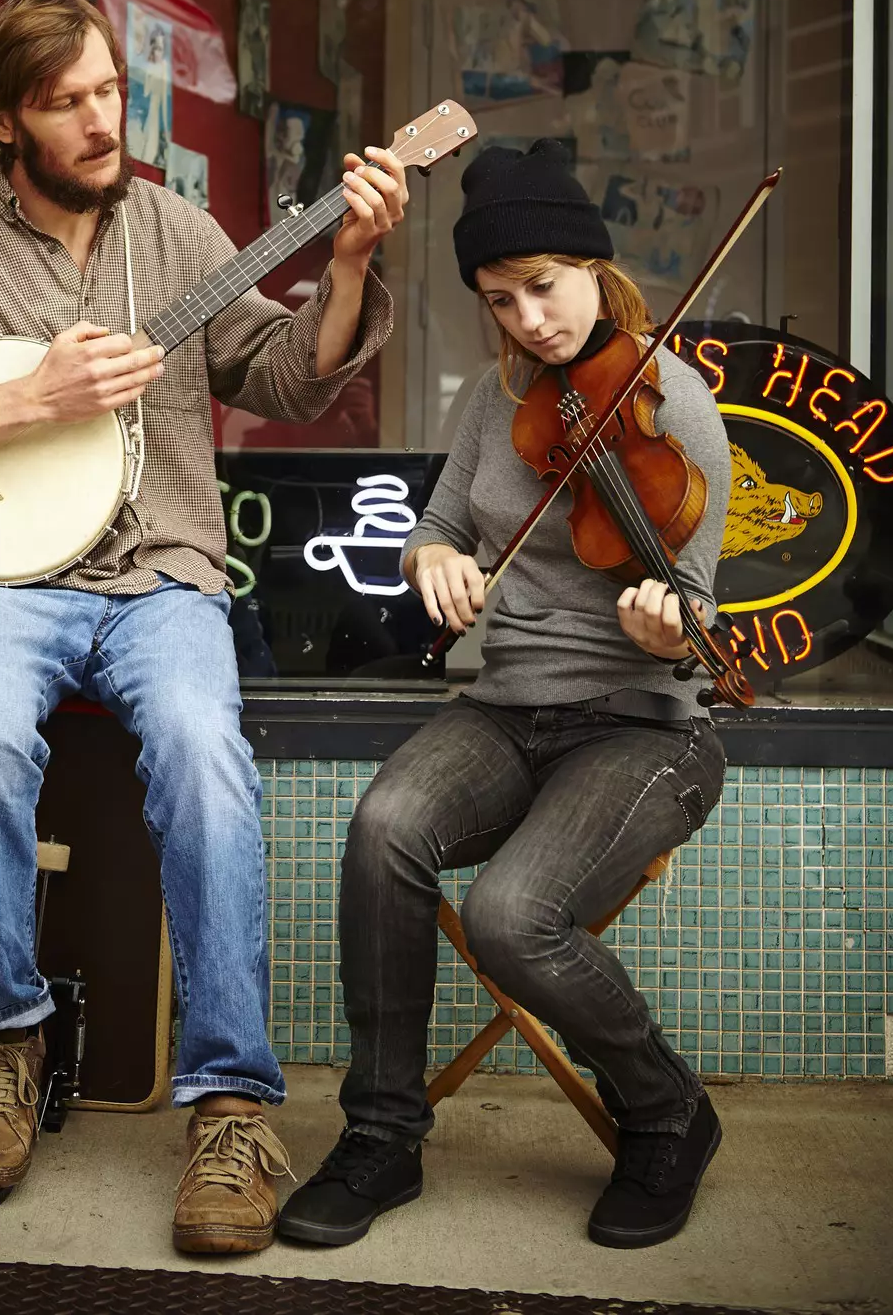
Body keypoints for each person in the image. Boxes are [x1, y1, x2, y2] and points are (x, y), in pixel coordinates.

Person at [0, 0, 407, 1252]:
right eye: (66, 102)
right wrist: (27, 396)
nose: (100, 121)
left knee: (203, 754)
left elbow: (290, 376)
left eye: (108, 93)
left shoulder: (177, 233)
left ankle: (233, 1107)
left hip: (163, 579)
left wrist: (346, 262)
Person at [279, 139, 729, 1254]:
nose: (528, 318)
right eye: (500, 299)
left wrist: (659, 627)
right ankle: (382, 1135)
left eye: (543, 286)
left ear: (590, 264)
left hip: (641, 727)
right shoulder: (497, 398)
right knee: (383, 826)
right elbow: (437, 527)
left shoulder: (674, 404)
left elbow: (699, 622)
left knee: (507, 915)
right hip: (502, 710)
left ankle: (666, 1110)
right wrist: (428, 563)